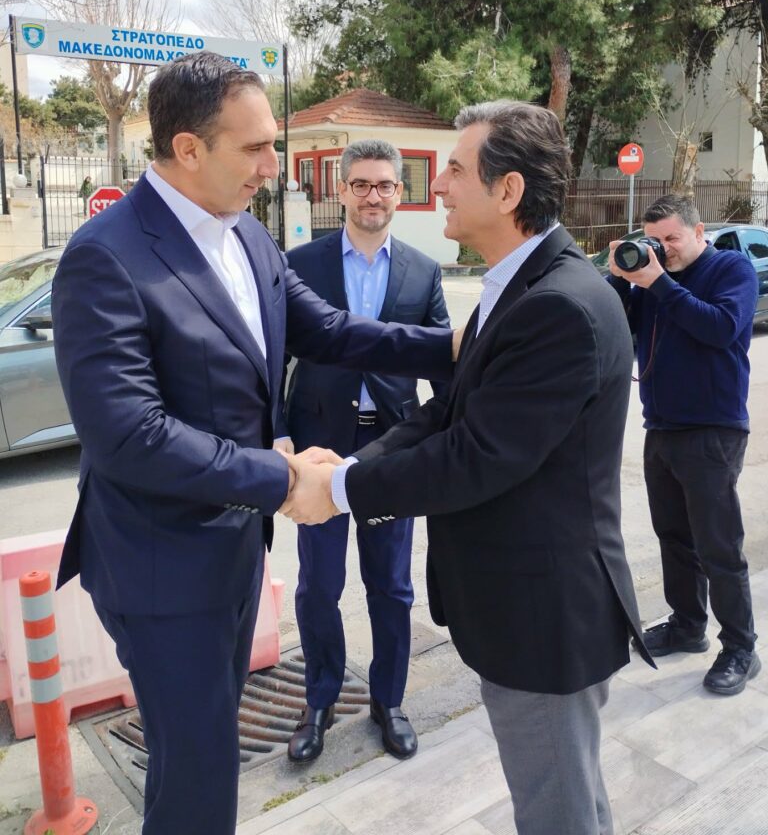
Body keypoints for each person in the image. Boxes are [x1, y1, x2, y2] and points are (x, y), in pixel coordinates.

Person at [51, 52, 457, 835]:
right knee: (197, 773)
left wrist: (453, 348)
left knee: (204, 762)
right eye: (257, 147)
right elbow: (128, 435)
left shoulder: (246, 236)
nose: (274, 167)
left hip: (234, 549)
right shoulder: (106, 255)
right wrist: (283, 479)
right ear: (188, 148)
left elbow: (330, 330)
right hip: (162, 566)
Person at [282, 100, 654, 835]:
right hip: (520, 606)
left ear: (507, 191)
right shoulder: (516, 287)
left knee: (557, 811)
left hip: (544, 619)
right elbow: (443, 414)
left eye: (454, 169)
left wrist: (342, 488)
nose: (439, 186)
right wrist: (348, 469)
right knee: (567, 801)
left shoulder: (558, 306)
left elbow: (474, 456)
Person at [284, 138, 450, 763]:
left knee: (391, 585)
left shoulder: (423, 271)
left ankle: (390, 700)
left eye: (384, 185)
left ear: (399, 193)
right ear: (342, 190)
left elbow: (443, 361)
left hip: (390, 448)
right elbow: (274, 357)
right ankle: (320, 700)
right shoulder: (301, 264)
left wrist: (452, 437)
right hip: (319, 447)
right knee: (318, 586)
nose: (372, 196)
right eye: (361, 184)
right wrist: (277, 434)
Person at [607, 194, 760, 695]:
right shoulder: (654, 278)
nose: (664, 248)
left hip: (713, 428)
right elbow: (613, 324)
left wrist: (659, 282)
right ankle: (688, 626)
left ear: (698, 233)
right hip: (661, 426)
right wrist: (620, 278)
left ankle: (741, 648)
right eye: (654, 240)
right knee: (673, 538)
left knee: (719, 546)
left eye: (672, 238)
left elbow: (721, 329)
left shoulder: (730, 269)